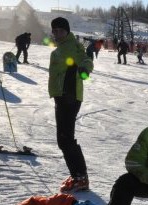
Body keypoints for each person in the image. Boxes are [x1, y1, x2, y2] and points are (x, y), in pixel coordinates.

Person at [49, 17, 94, 193]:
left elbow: (86, 60)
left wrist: (84, 71)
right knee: (64, 138)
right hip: (62, 96)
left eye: (60, 30)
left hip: (70, 96)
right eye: (55, 31)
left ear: (67, 31)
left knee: (65, 138)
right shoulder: (60, 48)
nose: (57, 33)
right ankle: (77, 176)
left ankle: (81, 177)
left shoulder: (72, 45)